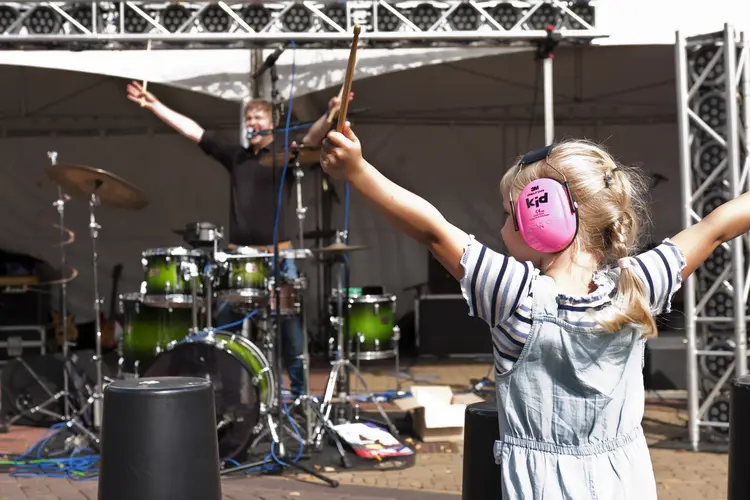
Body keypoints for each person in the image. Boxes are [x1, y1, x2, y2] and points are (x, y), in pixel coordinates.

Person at [320, 124, 750, 499]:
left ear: (543, 218)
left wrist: (358, 173)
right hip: (627, 482)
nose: (504, 225)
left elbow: (432, 230)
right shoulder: (637, 284)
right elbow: (715, 227)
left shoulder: (514, 295)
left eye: (511, 214)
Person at [126, 81, 351, 399]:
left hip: (279, 259)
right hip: (238, 259)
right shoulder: (237, 157)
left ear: (272, 123)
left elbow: (312, 139)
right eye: (248, 120)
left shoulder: (284, 153)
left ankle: (299, 398)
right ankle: (227, 395)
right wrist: (154, 105)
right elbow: (195, 132)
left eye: (258, 118)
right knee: (223, 330)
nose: (252, 125)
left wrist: (331, 113)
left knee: (291, 335)